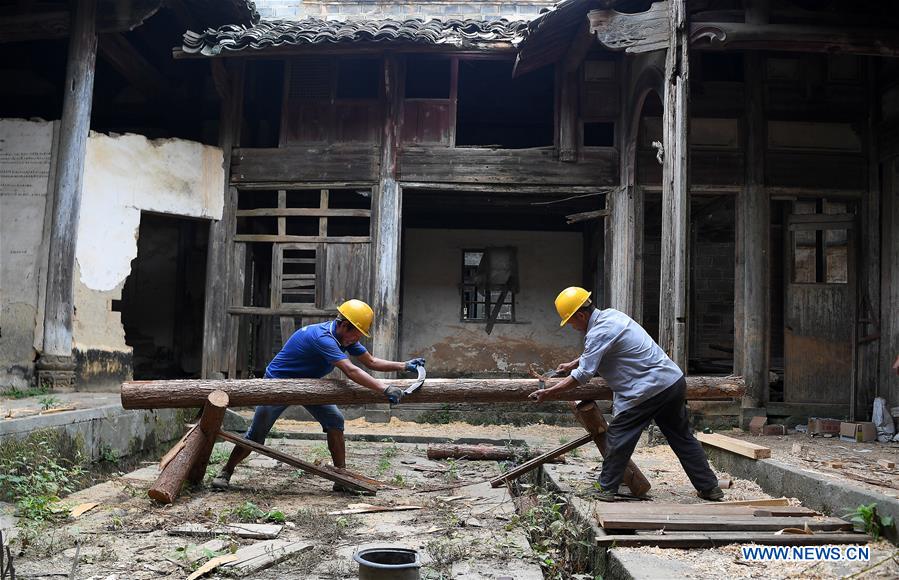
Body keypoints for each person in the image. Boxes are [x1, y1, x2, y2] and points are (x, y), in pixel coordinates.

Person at [529, 287, 723, 502]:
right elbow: (599, 351)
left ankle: (605, 489)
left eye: (571, 322)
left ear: (581, 315)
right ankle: (710, 488)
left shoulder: (597, 333)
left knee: (618, 436)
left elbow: (582, 375)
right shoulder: (613, 315)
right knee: (682, 438)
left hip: (648, 389)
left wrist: (549, 392)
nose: (573, 327)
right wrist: (573, 363)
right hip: (672, 382)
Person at [212, 299, 424, 491]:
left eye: (360, 334)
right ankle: (226, 471)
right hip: (279, 385)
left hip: (310, 385)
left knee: (335, 420)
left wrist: (405, 365)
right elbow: (351, 371)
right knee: (257, 435)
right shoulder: (323, 337)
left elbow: (371, 362)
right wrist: (384, 389)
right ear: (343, 325)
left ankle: (341, 478)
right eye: (356, 332)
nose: (358, 338)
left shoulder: (346, 338)